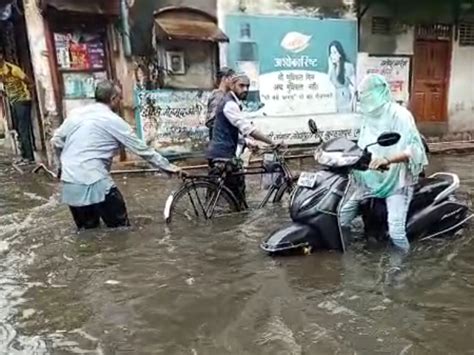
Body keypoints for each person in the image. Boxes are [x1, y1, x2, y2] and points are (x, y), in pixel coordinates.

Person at [51, 80, 183, 230]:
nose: (121, 102)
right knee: (121, 229)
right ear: (113, 99)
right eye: (120, 98)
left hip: (70, 182)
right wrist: (169, 167)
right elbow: (141, 149)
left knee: (87, 233)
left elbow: (56, 141)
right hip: (96, 181)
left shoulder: (76, 114)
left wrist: (61, 167)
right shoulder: (113, 121)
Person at [339, 74, 428, 251]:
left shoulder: (400, 115)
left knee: (396, 232)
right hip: (372, 177)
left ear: (380, 93)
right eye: (362, 94)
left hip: (397, 180)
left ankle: (400, 269)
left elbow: (414, 149)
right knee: (342, 218)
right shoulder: (368, 117)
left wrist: (387, 159)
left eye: (368, 94)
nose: (364, 98)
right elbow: (362, 145)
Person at [207, 73, 280, 209]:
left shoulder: (232, 103)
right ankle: (238, 217)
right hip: (224, 155)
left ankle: (235, 218)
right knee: (239, 194)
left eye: (247, 86)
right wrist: (271, 142)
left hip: (221, 153)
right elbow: (247, 128)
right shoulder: (229, 104)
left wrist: (248, 142)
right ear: (232, 85)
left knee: (234, 196)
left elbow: (232, 130)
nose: (245, 89)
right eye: (241, 85)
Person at [0, 48, 35, 163]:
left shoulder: (13, 69)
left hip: (22, 100)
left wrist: (27, 95)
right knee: (18, 128)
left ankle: (28, 156)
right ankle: (24, 155)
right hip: (13, 101)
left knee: (23, 128)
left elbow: (28, 81)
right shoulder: (1, 71)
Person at [205, 67, 235, 140]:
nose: (234, 82)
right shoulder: (218, 96)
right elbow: (212, 120)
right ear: (224, 79)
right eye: (232, 79)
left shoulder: (226, 95)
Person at [327, 41, 355, 113]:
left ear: (340, 53)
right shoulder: (333, 68)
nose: (332, 55)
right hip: (335, 98)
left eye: (335, 52)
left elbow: (354, 85)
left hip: (345, 97)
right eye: (331, 53)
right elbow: (329, 83)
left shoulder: (347, 66)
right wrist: (330, 67)